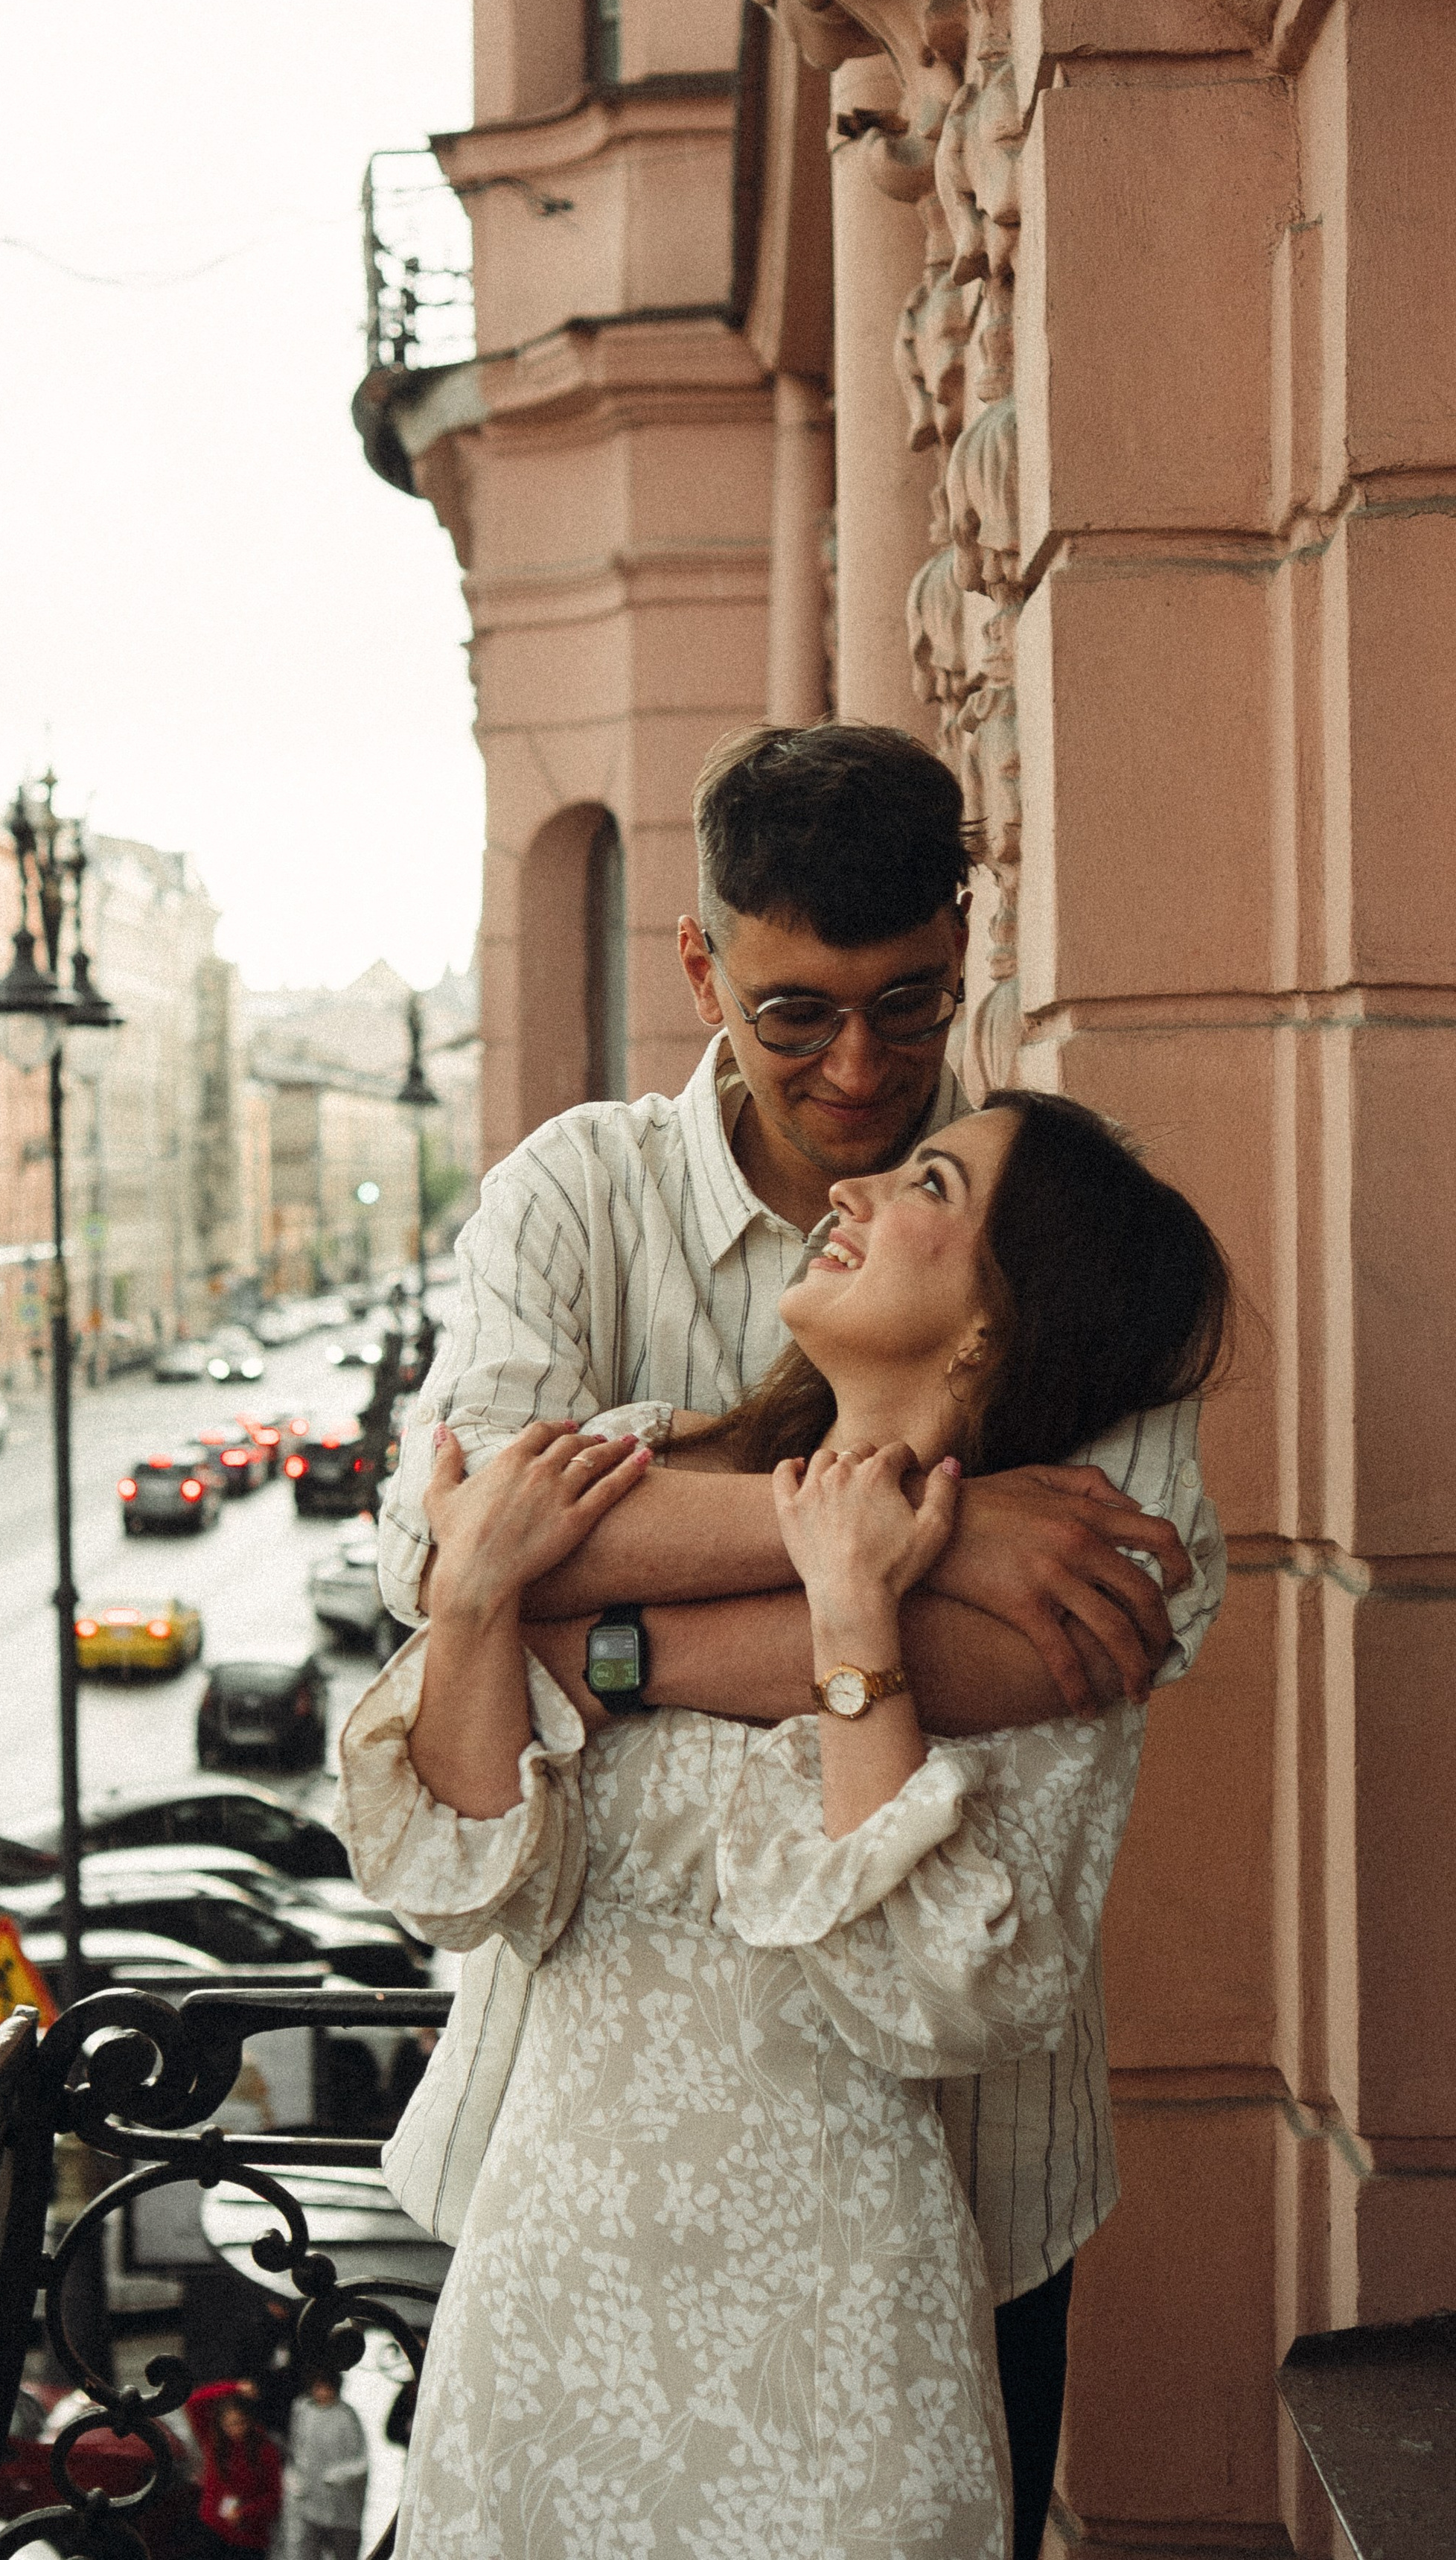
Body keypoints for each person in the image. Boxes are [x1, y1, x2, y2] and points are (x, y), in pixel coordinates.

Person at [375, 722, 1227, 2553]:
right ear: (701, 965)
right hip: (560, 2201)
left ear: (961, 941)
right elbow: (447, 1547)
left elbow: (1102, 1630)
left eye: (907, 1005)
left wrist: (613, 1642)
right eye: (792, 1016)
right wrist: (913, 1532)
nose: (857, 1076)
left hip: (948, 2202)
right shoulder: (575, 1195)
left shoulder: (1067, 1248)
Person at [179, 2379, 281, 2558]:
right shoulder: (213, 2441)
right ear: (221, 2425)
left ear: (249, 2420)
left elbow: (274, 2497)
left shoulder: (265, 2449)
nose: (235, 2430)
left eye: (240, 2423)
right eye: (229, 2425)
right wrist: (234, 2388)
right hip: (213, 2529)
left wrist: (245, 2513)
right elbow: (193, 2401)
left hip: (249, 2536)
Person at [284, 2371, 369, 2560]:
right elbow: (296, 2449)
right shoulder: (303, 2410)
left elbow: (361, 2461)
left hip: (344, 2509)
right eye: (318, 2387)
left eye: (326, 2387)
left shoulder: (346, 2416)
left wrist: (340, 2475)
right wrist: (295, 2478)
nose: (322, 2392)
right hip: (311, 2505)